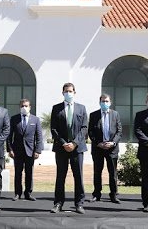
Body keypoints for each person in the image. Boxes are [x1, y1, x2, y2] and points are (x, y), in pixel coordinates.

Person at [50, 83, 87, 214]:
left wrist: (75, 143)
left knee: (78, 176)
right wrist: (63, 143)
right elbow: (53, 128)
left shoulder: (81, 108)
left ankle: (79, 204)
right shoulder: (56, 108)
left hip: (77, 149)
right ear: (63, 93)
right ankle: (58, 203)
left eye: (70, 91)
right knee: (60, 176)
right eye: (66, 91)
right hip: (61, 148)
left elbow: (84, 128)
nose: (68, 93)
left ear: (74, 92)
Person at [88, 94, 122, 204]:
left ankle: (113, 194)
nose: (105, 103)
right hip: (98, 148)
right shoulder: (93, 115)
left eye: (107, 101)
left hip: (112, 148)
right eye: (103, 101)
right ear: (100, 102)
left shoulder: (115, 114)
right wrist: (98, 143)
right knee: (97, 172)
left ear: (110, 102)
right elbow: (90, 132)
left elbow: (119, 131)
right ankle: (96, 194)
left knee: (112, 172)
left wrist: (113, 143)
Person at [7, 99, 43, 202]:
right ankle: (17, 193)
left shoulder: (35, 120)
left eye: (26, 106)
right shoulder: (14, 119)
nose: (24, 107)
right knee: (18, 173)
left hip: (30, 151)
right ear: (20, 107)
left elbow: (39, 136)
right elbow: (9, 136)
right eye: (22, 106)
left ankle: (28, 193)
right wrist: (10, 149)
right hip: (17, 151)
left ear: (30, 107)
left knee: (29, 173)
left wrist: (38, 150)